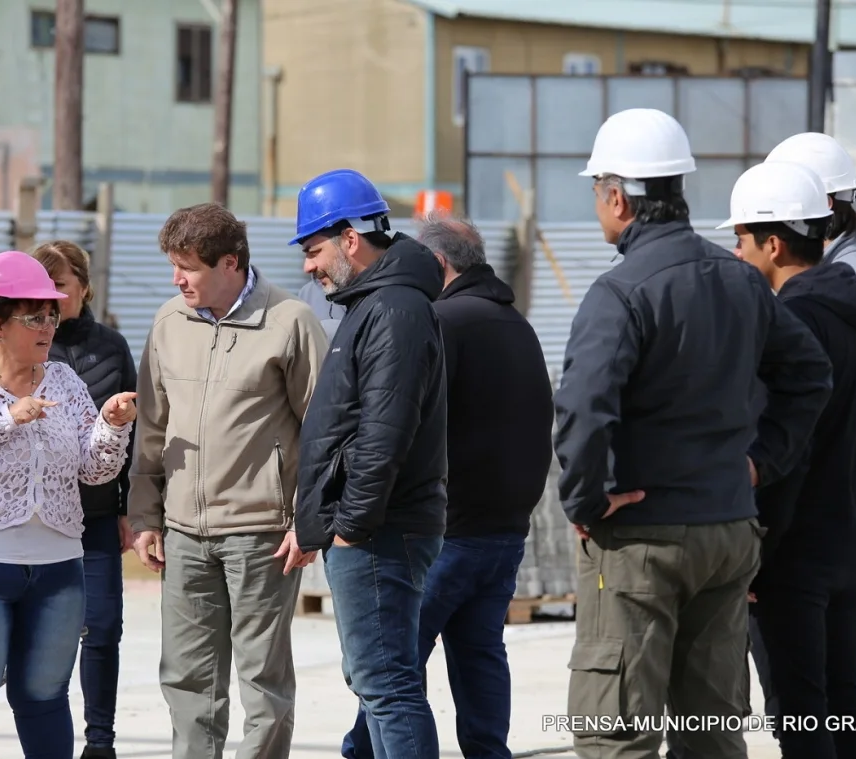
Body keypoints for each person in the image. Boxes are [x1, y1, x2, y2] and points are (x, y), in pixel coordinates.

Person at [553, 108, 834, 759]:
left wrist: (587, 500)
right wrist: (761, 463)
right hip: (728, 531)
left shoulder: (620, 293)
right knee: (710, 732)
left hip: (642, 540)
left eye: (598, 190)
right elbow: (809, 374)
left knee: (616, 732)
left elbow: (584, 407)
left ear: (617, 197)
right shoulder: (741, 280)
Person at [339, 212, 554, 759]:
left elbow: (400, 426)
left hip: (445, 533)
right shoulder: (517, 324)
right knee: (480, 653)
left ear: (437, 264)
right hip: (504, 532)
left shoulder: (440, 322)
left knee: (390, 668)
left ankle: (359, 753)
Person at [0, 250, 136, 759]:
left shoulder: (64, 382)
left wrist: (112, 426)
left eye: (52, 314)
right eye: (33, 316)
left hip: (57, 566)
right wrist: (6, 418)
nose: (48, 326)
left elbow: (94, 470)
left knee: (43, 699)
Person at [126, 202, 329, 759]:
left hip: (262, 534)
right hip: (183, 535)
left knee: (262, 682)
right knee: (187, 680)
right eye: (173, 265)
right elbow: (151, 428)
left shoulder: (290, 322)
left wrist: (309, 519)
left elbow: (325, 432)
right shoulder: (169, 322)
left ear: (230, 264)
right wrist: (145, 516)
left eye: (187, 267)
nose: (176, 279)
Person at [720, 161, 856, 758]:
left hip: (794, 556)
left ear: (772, 242)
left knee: (800, 717)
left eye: (740, 240)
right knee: (848, 710)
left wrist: (757, 554)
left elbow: (783, 450)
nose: (736, 255)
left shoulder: (790, 322)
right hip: (845, 536)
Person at [291, 168, 449, 759]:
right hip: (372, 526)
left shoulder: (392, 310)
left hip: (380, 530)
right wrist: (316, 521)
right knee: (376, 681)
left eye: (314, 250)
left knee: (387, 685)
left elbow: (384, 432)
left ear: (350, 239)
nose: (309, 267)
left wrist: (351, 524)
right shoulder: (374, 306)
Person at [764, 132, 856, 759]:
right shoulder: (847, 275)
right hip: (853, 495)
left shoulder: (844, 281)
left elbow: (834, 400)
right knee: (837, 681)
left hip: (847, 498)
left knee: (839, 687)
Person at [33, 240, 138, 759]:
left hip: (96, 515)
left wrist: (127, 510)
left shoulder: (112, 347)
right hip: (42, 520)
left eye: (60, 286)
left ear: (83, 287)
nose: (51, 298)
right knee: (49, 636)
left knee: (102, 629)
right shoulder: (25, 345)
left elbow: (134, 433)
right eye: (42, 286)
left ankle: (100, 742)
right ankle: (49, 738)